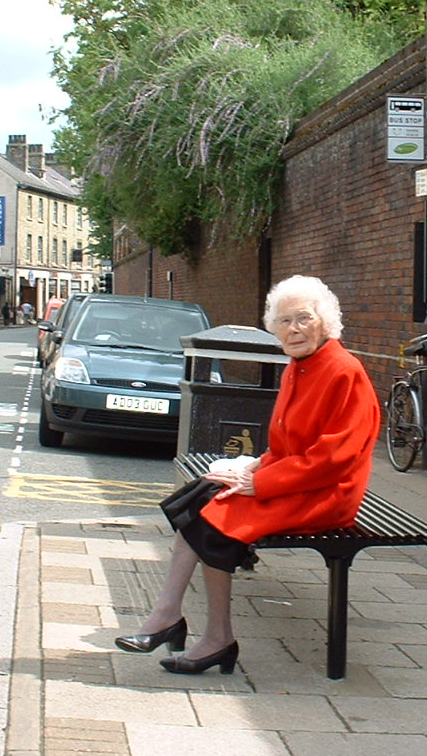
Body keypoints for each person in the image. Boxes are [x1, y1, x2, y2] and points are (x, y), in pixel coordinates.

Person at [115, 275, 380, 675]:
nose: (293, 329)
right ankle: (174, 617)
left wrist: (261, 482)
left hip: (327, 493)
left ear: (326, 321)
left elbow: (334, 458)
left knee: (214, 520)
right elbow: (289, 440)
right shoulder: (299, 366)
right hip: (294, 479)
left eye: (304, 318)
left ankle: (206, 634)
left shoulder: (344, 371)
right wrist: (254, 465)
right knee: (198, 498)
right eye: (284, 321)